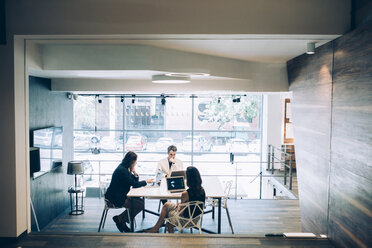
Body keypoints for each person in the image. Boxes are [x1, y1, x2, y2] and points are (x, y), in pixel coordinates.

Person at [105, 151, 153, 232]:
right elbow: (134, 184)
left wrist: (134, 172)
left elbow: (133, 181)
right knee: (140, 205)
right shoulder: (122, 170)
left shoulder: (124, 167)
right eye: (135, 161)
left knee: (140, 202)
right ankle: (120, 219)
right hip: (115, 198)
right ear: (131, 161)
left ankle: (121, 220)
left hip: (119, 195)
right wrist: (146, 181)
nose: (136, 163)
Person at [147, 166, 205, 233]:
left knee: (168, 213)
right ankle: (155, 229)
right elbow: (192, 204)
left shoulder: (185, 194)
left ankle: (168, 234)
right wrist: (182, 205)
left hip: (185, 220)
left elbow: (181, 212)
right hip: (196, 219)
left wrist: (179, 206)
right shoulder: (202, 190)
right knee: (166, 204)